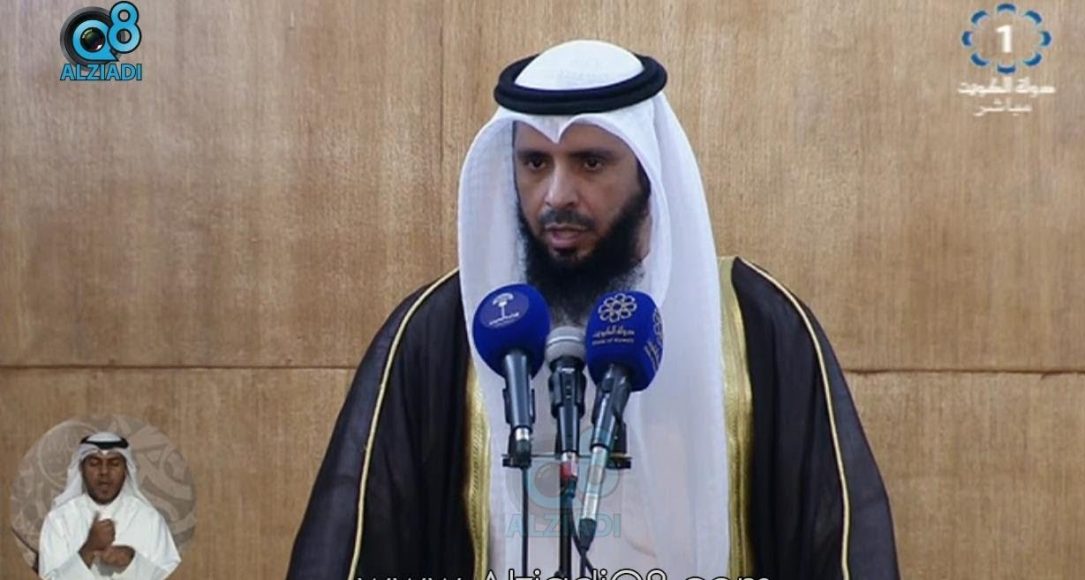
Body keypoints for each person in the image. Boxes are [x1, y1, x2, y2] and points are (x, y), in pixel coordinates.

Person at [288, 39, 899, 579]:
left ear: (647, 170)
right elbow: (355, 543)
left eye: (590, 163)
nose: (556, 196)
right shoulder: (447, 329)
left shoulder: (754, 326)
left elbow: (839, 541)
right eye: (535, 163)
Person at [38, 432, 181, 579]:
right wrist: (88, 550)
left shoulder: (150, 519)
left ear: (126, 470)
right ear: (81, 469)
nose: (104, 472)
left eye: (114, 464)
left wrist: (134, 561)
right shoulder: (58, 520)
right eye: (94, 464)